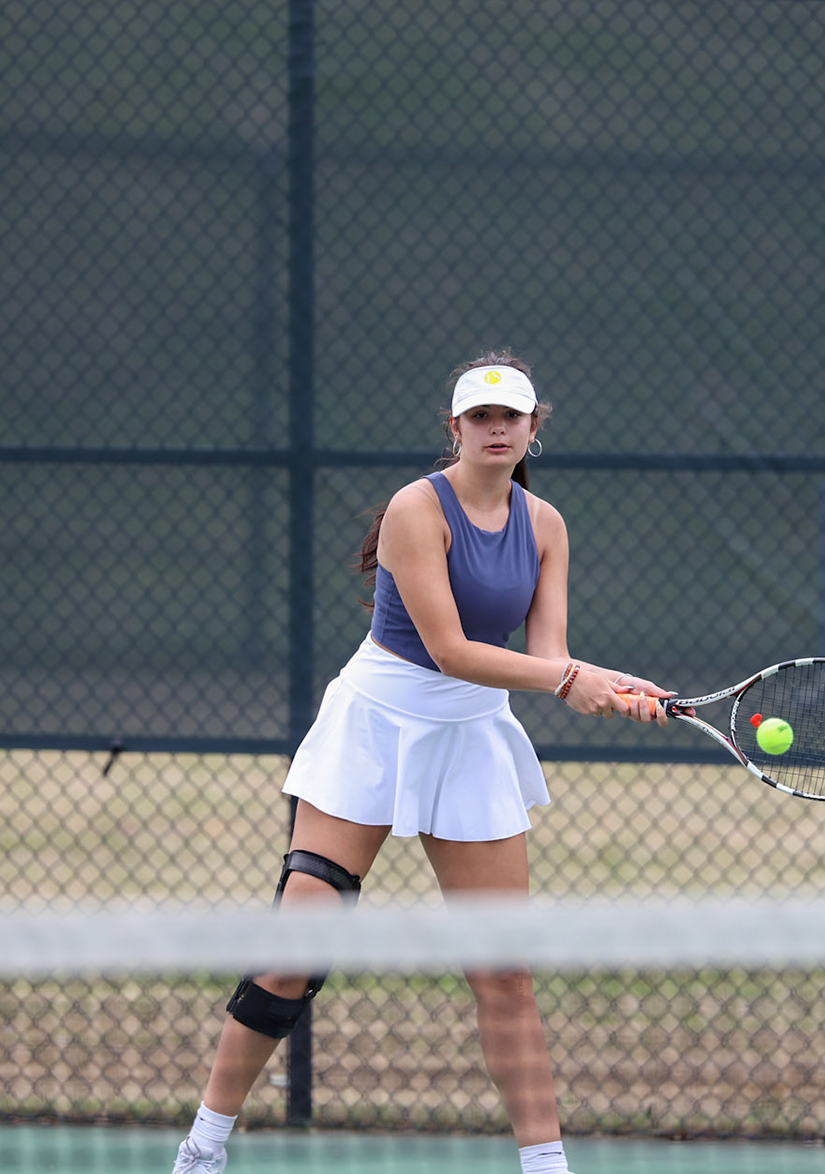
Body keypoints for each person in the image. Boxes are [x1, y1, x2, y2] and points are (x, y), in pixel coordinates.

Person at [172, 351, 668, 1174]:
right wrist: (569, 680)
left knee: (505, 975)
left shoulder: (546, 525)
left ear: (534, 428)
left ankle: (547, 1169)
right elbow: (450, 650)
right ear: (456, 428)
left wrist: (608, 686)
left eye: (511, 416)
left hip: (471, 737)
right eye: (481, 416)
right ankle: (202, 1150)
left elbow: (548, 656)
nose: (497, 429)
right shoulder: (416, 508)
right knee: (292, 956)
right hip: (375, 725)